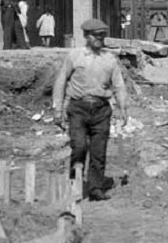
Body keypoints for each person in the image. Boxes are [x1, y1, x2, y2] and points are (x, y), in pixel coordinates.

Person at [51, 18, 129, 202]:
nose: (100, 39)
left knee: (98, 151)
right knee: (79, 147)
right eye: (96, 35)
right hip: (78, 108)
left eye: (103, 35)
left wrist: (123, 108)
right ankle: (74, 185)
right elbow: (61, 80)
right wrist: (57, 109)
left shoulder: (109, 59)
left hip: (101, 109)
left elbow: (118, 85)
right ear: (86, 36)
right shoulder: (74, 56)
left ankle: (95, 188)